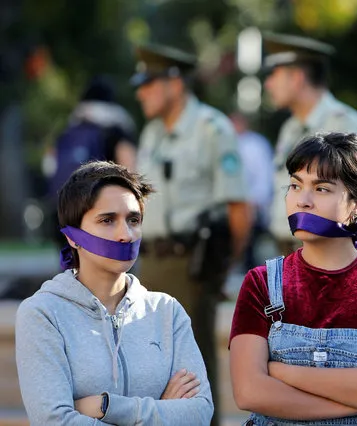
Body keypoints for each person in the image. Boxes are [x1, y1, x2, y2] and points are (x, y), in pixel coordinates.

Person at [229, 132, 357, 425]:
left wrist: (280, 371)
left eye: (322, 189)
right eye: (294, 185)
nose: (302, 201)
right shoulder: (261, 282)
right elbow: (249, 393)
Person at [15, 161, 213, 425]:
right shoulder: (43, 314)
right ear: (72, 237)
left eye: (134, 220)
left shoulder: (167, 311)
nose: (126, 234)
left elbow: (199, 413)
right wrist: (161, 411)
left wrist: (106, 406)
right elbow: (55, 421)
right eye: (107, 220)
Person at [132, 43, 251, 421]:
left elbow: (239, 210)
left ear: (176, 84)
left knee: (193, 368)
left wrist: (219, 268)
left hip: (191, 264)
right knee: (149, 367)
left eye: (149, 83)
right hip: (150, 261)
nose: (141, 92)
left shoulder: (211, 128)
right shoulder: (152, 133)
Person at [263, 33, 357, 256]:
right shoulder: (290, 128)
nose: (268, 83)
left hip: (329, 259)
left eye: (274, 74)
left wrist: (356, 261)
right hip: (289, 253)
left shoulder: (343, 124)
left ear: (297, 78)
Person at [44, 75, 138, 250]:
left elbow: (49, 167)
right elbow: (130, 169)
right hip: (103, 222)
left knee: (72, 273)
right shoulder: (116, 128)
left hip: (65, 216)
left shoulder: (68, 130)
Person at [230, 112, 275, 270]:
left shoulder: (256, 144)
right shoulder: (227, 143)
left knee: (253, 249)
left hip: (253, 205)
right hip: (233, 204)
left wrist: (256, 201)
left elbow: (264, 176)